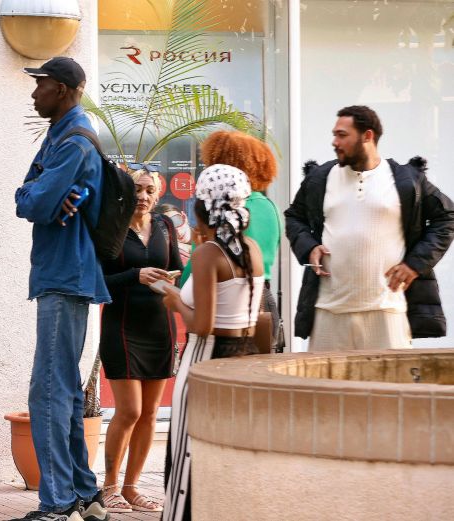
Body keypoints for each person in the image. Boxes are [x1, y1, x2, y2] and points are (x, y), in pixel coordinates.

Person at [11, 56, 110, 521]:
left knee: (48, 390)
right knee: (64, 388)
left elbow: (36, 201)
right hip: (61, 273)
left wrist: (38, 194)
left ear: (65, 90)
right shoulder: (62, 135)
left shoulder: (73, 142)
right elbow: (26, 197)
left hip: (65, 276)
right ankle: (85, 494)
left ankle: (57, 502)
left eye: (42, 85)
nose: (34, 94)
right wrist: (36, 194)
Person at [284, 105, 454, 350]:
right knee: (324, 388)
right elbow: (294, 217)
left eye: (342, 135)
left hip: (386, 311)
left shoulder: (407, 180)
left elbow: (446, 216)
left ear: (368, 136)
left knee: (389, 388)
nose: (335, 142)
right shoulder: (320, 178)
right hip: (328, 312)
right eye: (334, 135)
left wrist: (415, 264)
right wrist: (309, 247)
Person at [161, 164, 264, 521]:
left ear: (203, 208)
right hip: (241, 363)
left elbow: (202, 326)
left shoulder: (209, 255)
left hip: (204, 364)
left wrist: (175, 300)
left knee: (188, 461)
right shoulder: (251, 249)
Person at [98, 168, 181, 514]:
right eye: (137, 190)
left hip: (159, 326)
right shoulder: (111, 228)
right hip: (122, 326)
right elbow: (98, 279)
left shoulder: (165, 227)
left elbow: (176, 268)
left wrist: (171, 279)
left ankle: (132, 487)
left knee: (149, 413)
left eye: (149, 190)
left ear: (158, 195)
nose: (143, 196)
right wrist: (136, 274)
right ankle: (109, 486)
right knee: (129, 410)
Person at [200, 130, 282, 347]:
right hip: (261, 300)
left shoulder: (236, 209)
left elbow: (218, 259)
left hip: (233, 309)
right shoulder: (267, 205)